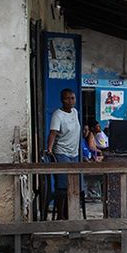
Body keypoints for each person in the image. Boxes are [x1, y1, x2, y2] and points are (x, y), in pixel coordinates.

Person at [45, 88, 81, 217]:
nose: (70, 101)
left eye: (72, 98)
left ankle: (70, 214)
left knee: (74, 185)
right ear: (62, 100)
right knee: (63, 186)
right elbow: (53, 133)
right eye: (67, 98)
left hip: (74, 153)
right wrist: (49, 148)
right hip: (62, 152)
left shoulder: (75, 112)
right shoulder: (57, 115)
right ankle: (61, 215)